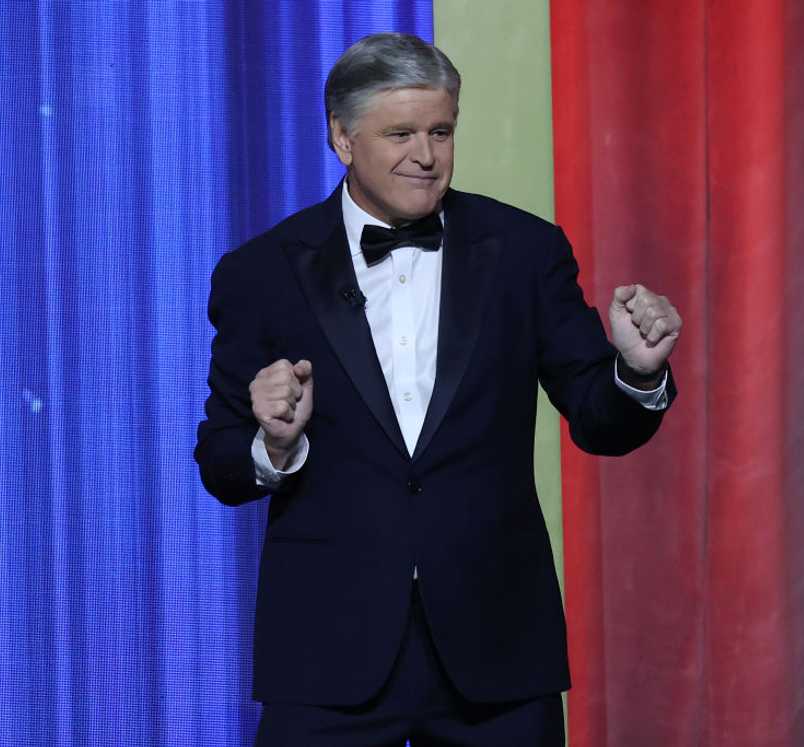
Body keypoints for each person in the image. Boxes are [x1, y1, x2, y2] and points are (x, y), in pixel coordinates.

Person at [195, 32, 681, 747]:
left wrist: (635, 372)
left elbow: (598, 418)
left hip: (498, 648)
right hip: (329, 653)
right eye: (400, 134)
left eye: (441, 132)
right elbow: (220, 462)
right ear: (341, 137)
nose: (426, 155)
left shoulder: (524, 251)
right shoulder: (260, 273)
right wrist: (273, 444)